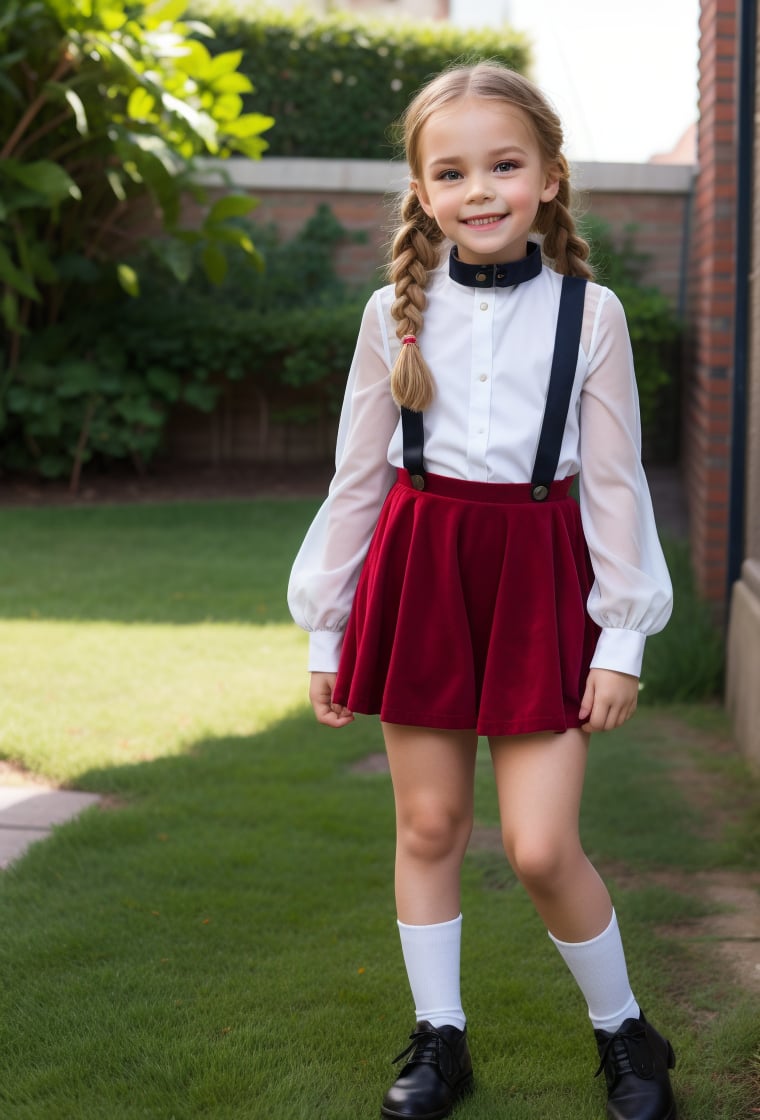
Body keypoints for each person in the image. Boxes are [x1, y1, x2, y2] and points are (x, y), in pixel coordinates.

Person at [288, 61, 676, 1120]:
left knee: (542, 845)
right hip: (421, 573)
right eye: (452, 171)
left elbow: (613, 485)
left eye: (504, 165)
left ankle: (625, 1034)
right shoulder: (390, 315)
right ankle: (437, 1036)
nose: (481, 189)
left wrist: (620, 641)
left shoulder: (589, 316)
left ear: (548, 176)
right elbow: (357, 478)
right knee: (428, 827)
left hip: (539, 578)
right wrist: (327, 627)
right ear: (422, 191)